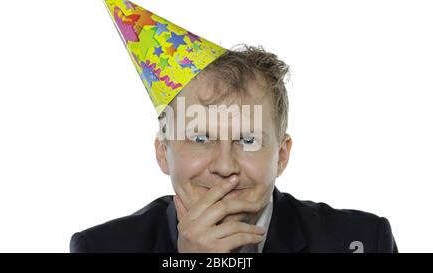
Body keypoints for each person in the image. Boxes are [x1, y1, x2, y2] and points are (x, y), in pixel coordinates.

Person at [70, 0, 397, 253]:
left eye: (248, 139)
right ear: (163, 152)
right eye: (200, 137)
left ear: (281, 156)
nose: (225, 166)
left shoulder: (363, 241)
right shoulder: (101, 247)